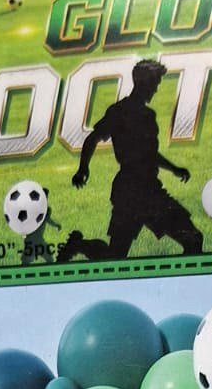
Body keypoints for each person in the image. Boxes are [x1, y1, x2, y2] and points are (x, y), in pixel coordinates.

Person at [61, 58, 202, 260]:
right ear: (143, 82)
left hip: (136, 189)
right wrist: (83, 168)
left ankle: (79, 245)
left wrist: (174, 169)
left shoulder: (131, 113)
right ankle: (79, 245)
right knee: (192, 239)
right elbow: (94, 139)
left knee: (116, 255)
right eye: (154, 83)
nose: (155, 89)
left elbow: (147, 154)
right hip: (137, 190)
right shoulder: (127, 113)